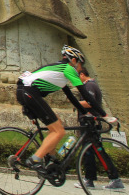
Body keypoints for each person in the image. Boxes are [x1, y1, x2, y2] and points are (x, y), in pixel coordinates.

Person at [16, 45, 105, 173]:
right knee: (59, 132)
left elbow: (71, 98)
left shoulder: (59, 71)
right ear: (74, 60)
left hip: (25, 91)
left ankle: (51, 158)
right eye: (80, 63)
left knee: (57, 125)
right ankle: (35, 159)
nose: (80, 67)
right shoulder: (68, 69)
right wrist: (105, 115)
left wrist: (85, 113)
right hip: (29, 92)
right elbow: (85, 94)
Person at [74, 68, 124, 190]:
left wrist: (75, 102)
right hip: (90, 122)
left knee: (89, 151)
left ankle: (91, 180)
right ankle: (99, 179)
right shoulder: (91, 84)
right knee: (94, 151)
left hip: (90, 123)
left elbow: (89, 102)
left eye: (77, 76)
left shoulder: (89, 85)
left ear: (82, 74)